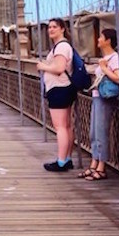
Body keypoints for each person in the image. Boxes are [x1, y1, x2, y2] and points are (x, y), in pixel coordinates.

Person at [79, 28, 119, 181]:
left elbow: (118, 78)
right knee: (94, 133)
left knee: (101, 132)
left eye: (101, 37)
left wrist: (103, 68)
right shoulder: (105, 57)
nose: (98, 39)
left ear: (108, 40)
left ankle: (101, 167)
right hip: (98, 96)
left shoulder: (114, 58)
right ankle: (94, 163)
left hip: (105, 98)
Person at [36, 18, 76, 172]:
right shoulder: (64, 46)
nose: (51, 30)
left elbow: (59, 68)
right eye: (49, 27)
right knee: (66, 126)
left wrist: (43, 66)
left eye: (54, 27)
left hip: (59, 89)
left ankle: (61, 162)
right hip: (64, 88)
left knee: (60, 127)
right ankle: (67, 158)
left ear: (62, 29)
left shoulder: (61, 47)